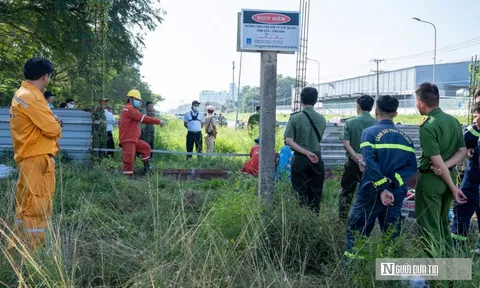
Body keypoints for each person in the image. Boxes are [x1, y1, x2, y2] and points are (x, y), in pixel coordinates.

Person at [344, 95, 417, 261]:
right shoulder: (406, 139)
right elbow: (411, 167)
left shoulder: (369, 133)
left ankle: (355, 272)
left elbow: (370, 162)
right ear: (396, 113)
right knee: (390, 234)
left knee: (357, 231)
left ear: (376, 111)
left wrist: (382, 186)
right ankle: (388, 276)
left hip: (371, 191)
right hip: (395, 193)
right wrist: (393, 181)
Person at [8, 57, 62, 251]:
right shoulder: (31, 96)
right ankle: (33, 252)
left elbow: (43, 121)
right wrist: (56, 123)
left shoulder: (25, 94)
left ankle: (17, 247)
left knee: (25, 207)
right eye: (49, 75)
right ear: (44, 76)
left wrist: (51, 120)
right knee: (36, 207)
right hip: (36, 158)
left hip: (29, 157)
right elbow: (52, 128)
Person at [414, 82, 467, 258]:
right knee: (443, 224)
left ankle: (437, 278)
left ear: (421, 103)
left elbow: (436, 162)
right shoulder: (453, 121)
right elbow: (462, 151)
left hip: (432, 181)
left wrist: (453, 186)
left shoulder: (428, 126)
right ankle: (451, 272)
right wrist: (448, 166)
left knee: (429, 227)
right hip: (449, 176)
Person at [441, 102, 480, 255]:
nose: (475, 120)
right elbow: (465, 143)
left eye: (477, 116)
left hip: (473, 181)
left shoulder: (473, 131)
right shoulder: (473, 131)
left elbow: (462, 147)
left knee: (461, 212)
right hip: (472, 179)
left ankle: (456, 251)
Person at [284, 87, 327, 213]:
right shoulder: (322, 119)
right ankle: (314, 218)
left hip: (300, 159)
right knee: (316, 192)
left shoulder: (295, 118)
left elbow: (289, 141)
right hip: (317, 159)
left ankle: (302, 220)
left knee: (299, 193)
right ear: (315, 100)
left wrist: (305, 152)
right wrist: (310, 152)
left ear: (301, 100)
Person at [338, 95, 376, 221]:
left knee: (347, 192)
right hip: (371, 164)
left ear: (358, 107)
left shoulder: (350, 122)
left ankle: (342, 219)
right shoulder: (376, 124)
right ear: (371, 108)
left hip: (353, 163)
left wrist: (357, 158)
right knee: (369, 192)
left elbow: (346, 143)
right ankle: (365, 219)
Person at [119, 89, 163, 176]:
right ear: (130, 99)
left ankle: (147, 169)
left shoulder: (131, 109)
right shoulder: (129, 109)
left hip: (134, 138)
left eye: (139, 100)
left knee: (146, 148)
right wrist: (158, 121)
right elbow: (144, 118)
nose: (139, 102)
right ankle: (128, 178)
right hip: (128, 139)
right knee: (129, 159)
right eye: (137, 100)